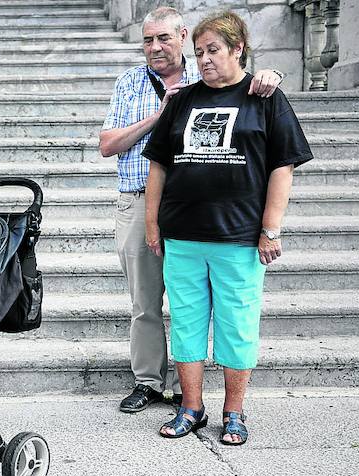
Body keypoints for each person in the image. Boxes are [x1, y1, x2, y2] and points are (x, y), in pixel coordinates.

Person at [99, 7, 284, 414]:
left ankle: (199, 394)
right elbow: (108, 143)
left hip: (203, 213)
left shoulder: (206, 76)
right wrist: (160, 116)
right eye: (147, 40)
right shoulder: (130, 82)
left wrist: (272, 75)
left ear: (182, 36)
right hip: (139, 200)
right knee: (146, 302)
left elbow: (243, 85)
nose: (155, 47)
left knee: (207, 308)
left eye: (163, 38)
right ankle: (149, 381)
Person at [142, 11, 312, 445]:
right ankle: (191, 408)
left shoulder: (264, 97)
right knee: (186, 323)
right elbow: (159, 166)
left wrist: (270, 229)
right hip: (182, 234)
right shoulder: (181, 101)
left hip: (238, 237)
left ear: (238, 49)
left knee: (237, 325)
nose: (204, 60)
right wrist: (152, 225)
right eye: (198, 52)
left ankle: (233, 412)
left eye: (213, 50)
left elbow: (283, 167)